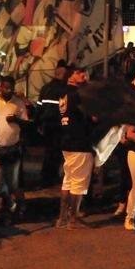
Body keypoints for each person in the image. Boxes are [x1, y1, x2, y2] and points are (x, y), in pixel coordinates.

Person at [56, 68, 95, 228]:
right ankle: (73, 219)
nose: (85, 76)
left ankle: (62, 218)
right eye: (80, 73)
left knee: (68, 182)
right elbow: (92, 116)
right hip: (80, 142)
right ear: (71, 76)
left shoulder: (63, 93)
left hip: (67, 141)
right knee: (78, 183)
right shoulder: (78, 94)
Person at [0, 75, 29, 220]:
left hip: (13, 148)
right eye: (5, 87)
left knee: (14, 182)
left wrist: (16, 120)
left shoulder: (18, 103)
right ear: (0, 86)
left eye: (11, 88)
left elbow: (26, 124)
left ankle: (18, 209)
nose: (8, 90)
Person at [36, 61, 69, 187]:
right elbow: (64, 110)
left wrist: (38, 123)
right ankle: (52, 177)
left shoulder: (46, 88)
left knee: (49, 152)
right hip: (59, 126)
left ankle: (46, 177)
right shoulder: (63, 89)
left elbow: (39, 107)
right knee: (57, 153)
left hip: (47, 125)